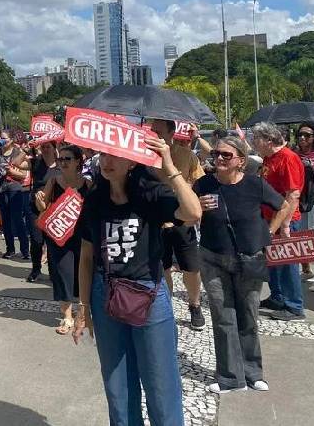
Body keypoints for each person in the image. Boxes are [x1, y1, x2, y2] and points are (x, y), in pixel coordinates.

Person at [73, 138, 202, 425]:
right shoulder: (95, 199)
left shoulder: (150, 194)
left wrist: (169, 166)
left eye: (116, 155)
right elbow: (85, 256)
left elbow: (193, 212)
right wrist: (83, 306)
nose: (107, 161)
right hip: (105, 292)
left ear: (133, 160)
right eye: (104, 154)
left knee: (160, 383)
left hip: (148, 294)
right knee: (118, 385)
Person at [194, 137, 291, 394]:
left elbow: (284, 205)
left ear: (241, 161)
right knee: (222, 317)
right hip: (212, 257)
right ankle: (229, 378)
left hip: (249, 258)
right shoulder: (204, 183)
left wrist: (268, 233)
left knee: (247, 315)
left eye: (227, 155)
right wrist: (196, 208)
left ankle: (253, 372)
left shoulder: (254, 184)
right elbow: (185, 212)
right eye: (217, 154)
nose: (220, 159)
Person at [151, 119, 206, 330]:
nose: (154, 134)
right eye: (152, 130)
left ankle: (195, 304)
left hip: (183, 219)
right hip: (157, 221)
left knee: (191, 268)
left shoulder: (187, 155)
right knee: (163, 267)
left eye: (158, 131)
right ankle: (167, 304)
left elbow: (198, 182)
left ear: (171, 132)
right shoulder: (144, 157)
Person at [253, 122, 307, 321]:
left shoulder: (288, 158)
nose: (253, 142)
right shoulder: (269, 158)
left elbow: (293, 194)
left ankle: (294, 306)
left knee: (287, 263)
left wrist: (285, 224)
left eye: (256, 138)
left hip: (285, 219)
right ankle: (277, 296)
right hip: (269, 217)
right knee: (273, 262)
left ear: (268, 140)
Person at [36, 145, 88, 334]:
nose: (63, 162)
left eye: (67, 159)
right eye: (61, 159)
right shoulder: (53, 181)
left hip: (81, 238)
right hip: (58, 237)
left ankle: (83, 315)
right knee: (63, 275)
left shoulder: (87, 184)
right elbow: (42, 206)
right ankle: (67, 317)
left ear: (77, 162)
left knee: (82, 277)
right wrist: (39, 199)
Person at [25, 140, 59, 282]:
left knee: (52, 242)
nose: (45, 149)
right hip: (35, 207)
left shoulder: (61, 164)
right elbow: (15, 162)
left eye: (48, 147)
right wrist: (30, 146)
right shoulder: (36, 162)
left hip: (54, 208)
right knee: (36, 240)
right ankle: (36, 269)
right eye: (43, 146)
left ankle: (53, 271)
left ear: (54, 149)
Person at [0, 130, 30, 259]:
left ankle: (25, 250)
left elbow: (23, 175)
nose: (3, 142)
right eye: (1, 139)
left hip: (14, 188)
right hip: (0, 189)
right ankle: (10, 249)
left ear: (11, 140)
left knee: (18, 219)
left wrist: (11, 173)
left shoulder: (18, 153)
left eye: (5, 139)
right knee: (6, 220)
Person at [294, 121, 314, 282]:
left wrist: (312, 169)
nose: (302, 138)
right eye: (300, 135)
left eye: (307, 135)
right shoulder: (293, 154)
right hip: (298, 200)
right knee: (302, 236)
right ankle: (306, 269)